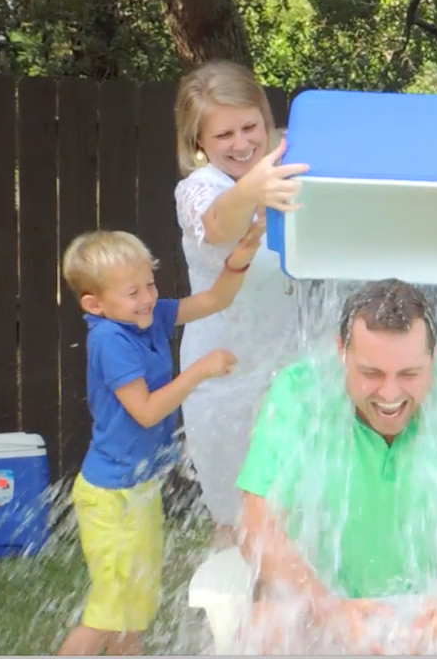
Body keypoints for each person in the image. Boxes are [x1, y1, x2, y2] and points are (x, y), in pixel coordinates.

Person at [234, 279, 437, 654]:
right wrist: (327, 609)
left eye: (409, 374)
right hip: (332, 603)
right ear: (341, 352)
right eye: (371, 373)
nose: (389, 394)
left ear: (434, 358)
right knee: (264, 626)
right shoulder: (299, 391)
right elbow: (257, 528)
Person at [55, 227, 265, 656]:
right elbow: (146, 411)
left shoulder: (143, 320)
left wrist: (240, 256)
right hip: (110, 499)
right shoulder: (110, 339)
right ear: (95, 304)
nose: (148, 298)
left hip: (138, 489)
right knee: (108, 612)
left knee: (134, 608)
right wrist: (199, 371)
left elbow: (215, 300)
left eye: (149, 285)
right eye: (132, 292)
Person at [173, 59, 309, 546]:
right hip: (225, 379)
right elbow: (218, 225)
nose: (241, 143)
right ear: (199, 142)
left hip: (293, 371)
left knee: (299, 519)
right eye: (223, 134)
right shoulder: (198, 189)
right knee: (237, 522)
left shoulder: (292, 164)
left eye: (250, 127)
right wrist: (253, 190)